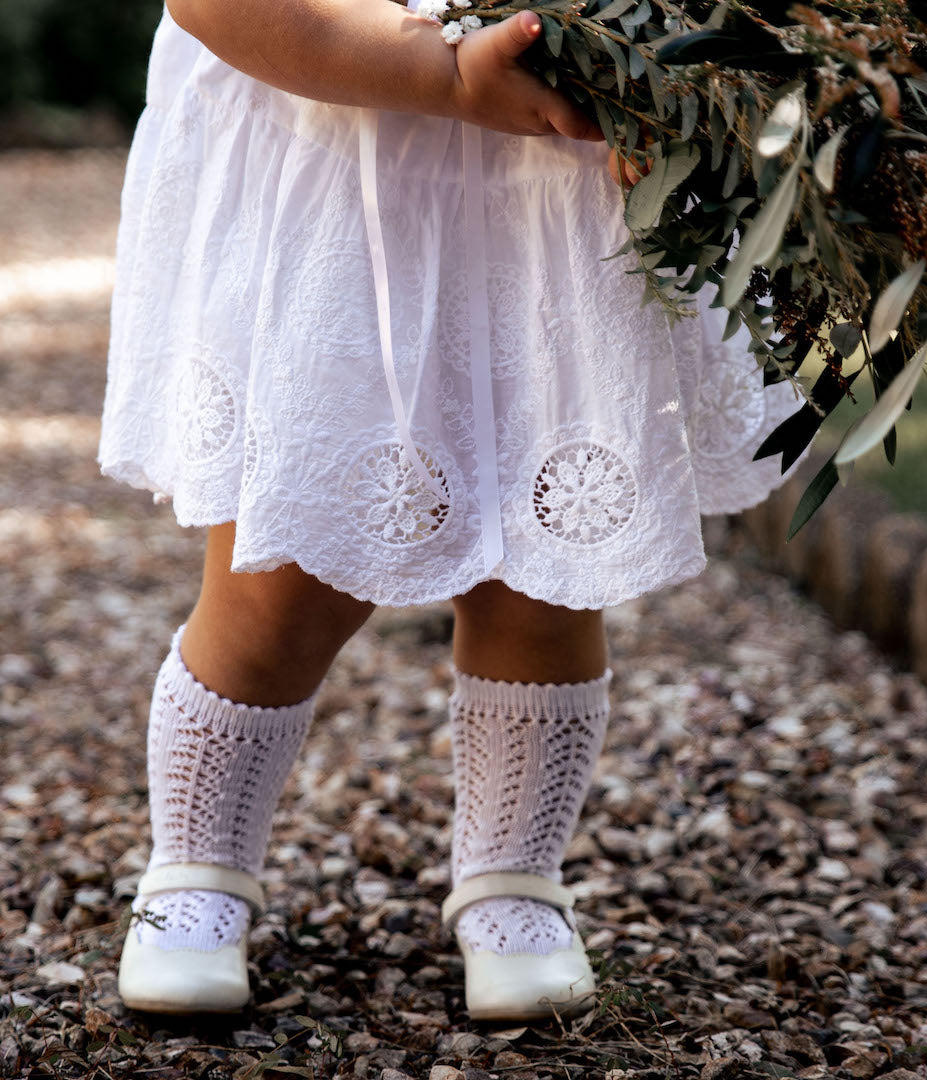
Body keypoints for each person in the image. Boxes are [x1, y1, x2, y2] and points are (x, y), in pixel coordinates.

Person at [98, 0, 805, 1021]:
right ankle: (195, 866)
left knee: (548, 565)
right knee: (281, 584)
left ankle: (514, 877)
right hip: (343, 159)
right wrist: (442, 75)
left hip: (561, 191)